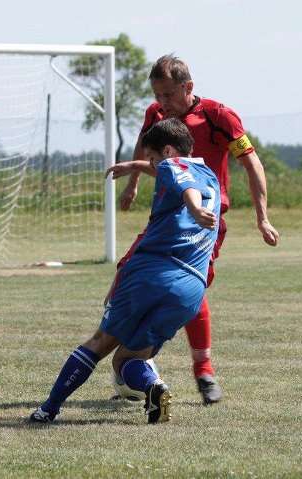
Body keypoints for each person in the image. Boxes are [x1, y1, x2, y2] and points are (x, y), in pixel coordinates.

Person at [111, 55, 280, 404]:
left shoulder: (219, 117)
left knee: (188, 291)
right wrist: (133, 183)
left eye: (169, 95)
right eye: (157, 95)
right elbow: (148, 149)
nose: (162, 104)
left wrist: (262, 217)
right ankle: (137, 361)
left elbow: (252, 163)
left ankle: (202, 369)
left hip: (204, 225)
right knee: (126, 272)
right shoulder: (156, 115)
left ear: (189, 87)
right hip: (163, 222)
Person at [30, 118, 221, 424]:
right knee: (127, 360)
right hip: (192, 287)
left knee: (100, 343)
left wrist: (196, 210)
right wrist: (136, 165)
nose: (154, 164)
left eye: (154, 158)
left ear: (169, 151)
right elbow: (182, 178)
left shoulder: (175, 167)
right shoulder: (210, 175)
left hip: (153, 272)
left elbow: (183, 184)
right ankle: (154, 387)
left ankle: (48, 408)